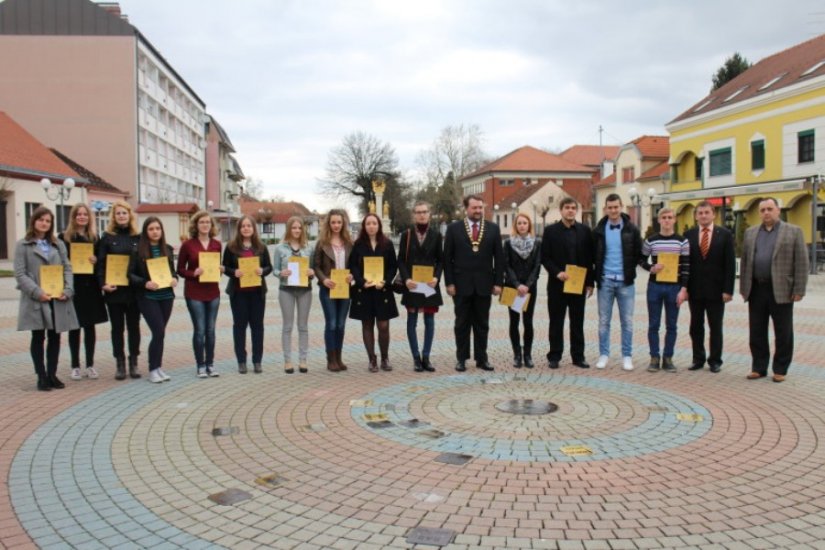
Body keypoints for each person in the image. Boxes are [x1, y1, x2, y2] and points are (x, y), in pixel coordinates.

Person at [739, 197, 809, 383]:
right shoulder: (751, 233)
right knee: (757, 331)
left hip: (781, 289)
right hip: (756, 288)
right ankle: (759, 367)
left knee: (783, 331)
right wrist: (744, 287)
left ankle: (780, 369)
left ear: (778, 210)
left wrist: (799, 288)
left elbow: (801, 262)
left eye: (770, 209)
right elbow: (745, 261)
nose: (766, 213)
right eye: (762, 210)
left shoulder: (793, 232)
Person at [14, 206, 79, 391]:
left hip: (57, 297)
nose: (44, 223)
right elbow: (20, 273)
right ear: (33, 221)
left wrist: (68, 289)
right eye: (41, 219)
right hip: (37, 298)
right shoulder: (23, 244)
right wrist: (37, 292)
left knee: (55, 336)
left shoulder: (57, 244)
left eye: (48, 221)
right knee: (38, 336)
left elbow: (67, 267)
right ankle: (41, 376)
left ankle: (52, 374)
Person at [443, 194, 504, 372]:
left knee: (482, 324)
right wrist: (449, 283)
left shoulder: (493, 229)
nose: (478, 211)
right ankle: (461, 358)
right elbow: (447, 259)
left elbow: (499, 258)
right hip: (461, 285)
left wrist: (498, 282)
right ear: (466, 209)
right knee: (461, 323)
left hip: (485, 284)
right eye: (474, 208)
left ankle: (481, 358)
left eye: (480, 208)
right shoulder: (454, 229)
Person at [541, 197, 594, 369]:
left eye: (573, 208)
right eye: (567, 207)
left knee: (577, 322)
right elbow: (545, 258)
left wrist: (590, 283)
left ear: (576, 211)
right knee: (556, 321)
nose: (570, 210)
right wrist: (557, 273)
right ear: (561, 210)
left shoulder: (585, 231)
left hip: (578, 284)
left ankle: (578, 356)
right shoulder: (550, 231)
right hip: (557, 285)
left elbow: (589, 259)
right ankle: (554, 356)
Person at [593, 193, 643, 371]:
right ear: (605, 209)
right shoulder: (598, 230)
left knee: (627, 321)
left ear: (621, 207)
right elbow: (593, 256)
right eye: (610, 207)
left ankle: (627, 356)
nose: (613, 210)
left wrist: (649, 266)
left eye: (616, 207)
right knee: (604, 321)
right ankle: (604, 354)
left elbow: (640, 253)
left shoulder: (632, 229)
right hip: (605, 281)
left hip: (626, 282)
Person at [684, 201, 735, 373]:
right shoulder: (688, 235)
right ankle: (698, 358)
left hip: (717, 291)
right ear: (696, 216)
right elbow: (685, 264)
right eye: (700, 213)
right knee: (695, 326)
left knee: (715, 326)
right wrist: (684, 288)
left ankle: (715, 360)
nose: (703, 216)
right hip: (695, 290)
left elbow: (730, 264)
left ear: (713, 214)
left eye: (707, 212)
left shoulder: (725, 234)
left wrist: (728, 290)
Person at [60, 203, 108, 380]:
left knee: (90, 327)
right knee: (75, 327)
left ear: (89, 218)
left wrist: (96, 260)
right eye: (78, 214)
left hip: (91, 288)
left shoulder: (95, 238)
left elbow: (102, 264)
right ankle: (75, 365)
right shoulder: (64, 238)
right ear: (73, 217)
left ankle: (90, 364)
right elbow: (60, 263)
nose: (81, 217)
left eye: (84, 214)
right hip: (75, 287)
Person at [639, 208, 690, 372]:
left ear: (675, 219)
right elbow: (640, 259)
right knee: (653, 324)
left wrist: (683, 289)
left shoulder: (682, 241)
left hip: (674, 287)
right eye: (664, 217)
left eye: (670, 217)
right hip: (655, 285)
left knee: (672, 325)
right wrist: (651, 267)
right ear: (659, 220)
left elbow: (687, 267)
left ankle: (668, 358)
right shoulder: (651, 240)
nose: (667, 220)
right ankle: (654, 357)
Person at [128, 217, 178, 383]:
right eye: (151, 229)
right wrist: (145, 283)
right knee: (158, 331)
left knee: (161, 333)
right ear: (145, 231)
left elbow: (173, 271)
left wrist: (174, 279)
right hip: (148, 297)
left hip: (166, 297)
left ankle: (158, 367)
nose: (155, 231)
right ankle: (152, 369)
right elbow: (130, 275)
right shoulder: (138, 251)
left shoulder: (168, 249)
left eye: (158, 228)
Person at [97, 200, 142, 380]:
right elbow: (100, 264)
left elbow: (142, 264)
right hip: (114, 291)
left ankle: (134, 362)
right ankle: (120, 363)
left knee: (134, 328)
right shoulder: (107, 238)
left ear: (129, 215)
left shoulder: (138, 238)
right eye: (118, 213)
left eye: (124, 213)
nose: (121, 216)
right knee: (117, 329)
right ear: (114, 217)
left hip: (133, 291)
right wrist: (103, 284)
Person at [348, 213, 399, 372]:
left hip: (382, 290)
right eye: (368, 223)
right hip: (364, 291)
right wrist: (362, 282)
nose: (371, 226)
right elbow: (353, 266)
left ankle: (385, 357)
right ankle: (372, 359)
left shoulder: (387, 244)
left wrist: (386, 280)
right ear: (364, 226)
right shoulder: (357, 245)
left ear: (379, 226)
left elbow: (393, 266)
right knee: (367, 324)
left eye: (374, 223)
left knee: (383, 326)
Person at [222, 215, 272, 374]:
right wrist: (233, 272)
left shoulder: (261, 247)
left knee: (258, 327)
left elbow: (269, 267)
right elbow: (225, 267)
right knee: (239, 327)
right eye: (243, 226)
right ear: (239, 229)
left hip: (257, 293)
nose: (246, 228)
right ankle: (241, 361)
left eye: (249, 226)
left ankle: (257, 361)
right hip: (238, 294)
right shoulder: (231, 247)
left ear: (253, 228)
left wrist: (262, 271)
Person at [398, 201, 443, 372]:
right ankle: (416, 358)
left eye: (425, 211)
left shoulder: (436, 235)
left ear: (429, 214)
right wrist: (406, 279)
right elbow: (401, 260)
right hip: (413, 284)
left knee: (429, 321)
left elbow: (441, 260)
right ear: (414, 215)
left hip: (429, 284)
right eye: (418, 212)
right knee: (412, 321)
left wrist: (436, 277)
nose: (422, 215)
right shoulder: (406, 235)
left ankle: (426, 357)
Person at [177, 211, 223, 378]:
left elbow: (218, 268)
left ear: (211, 225)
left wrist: (221, 270)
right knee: (200, 330)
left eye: (207, 222)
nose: (205, 225)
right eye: (202, 222)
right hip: (194, 292)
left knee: (211, 330)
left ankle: (210, 363)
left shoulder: (217, 244)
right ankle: (200, 365)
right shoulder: (188, 245)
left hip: (212, 291)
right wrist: (193, 273)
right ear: (196, 225)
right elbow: (180, 269)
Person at [273, 216, 315, 374]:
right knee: (287, 326)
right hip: (286, 290)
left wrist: (312, 273)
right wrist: (281, 273)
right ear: (289, 229)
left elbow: (313, 270)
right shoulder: (280, 249)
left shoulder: (309, 248)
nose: (297, 230)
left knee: (303, 326)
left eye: (299, 228)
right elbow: (275, 270)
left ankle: (303, 360)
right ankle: (288, 361)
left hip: (305, 290)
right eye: (294, 228)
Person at [313, 209, 354, 372]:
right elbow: (315, 265)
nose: (336, 225)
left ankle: (338, 357)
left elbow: (354, 265)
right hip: (328, 288)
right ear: (328, 224)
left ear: (343, 223)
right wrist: (324, 279)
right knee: (331, 323)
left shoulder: (349, 243)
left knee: (341, 324)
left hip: (344, 288)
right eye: (333, 222)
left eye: (339, 222)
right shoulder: (322, 243)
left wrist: (352, 275)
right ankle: (330, 359)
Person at [503, 213, 541, 368]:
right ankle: (517, 354)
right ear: (515, 226)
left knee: (528, 321)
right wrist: (517, 284)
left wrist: (527, 285)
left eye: (525, 223)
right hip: (512, 288)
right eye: (519, 223)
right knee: (514, 322)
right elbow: (506, 266)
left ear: (529, 225)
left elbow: (537, 266)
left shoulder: (537, 243)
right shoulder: (507, 243)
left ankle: (528, 355)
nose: (522, 225)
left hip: (530, 288)